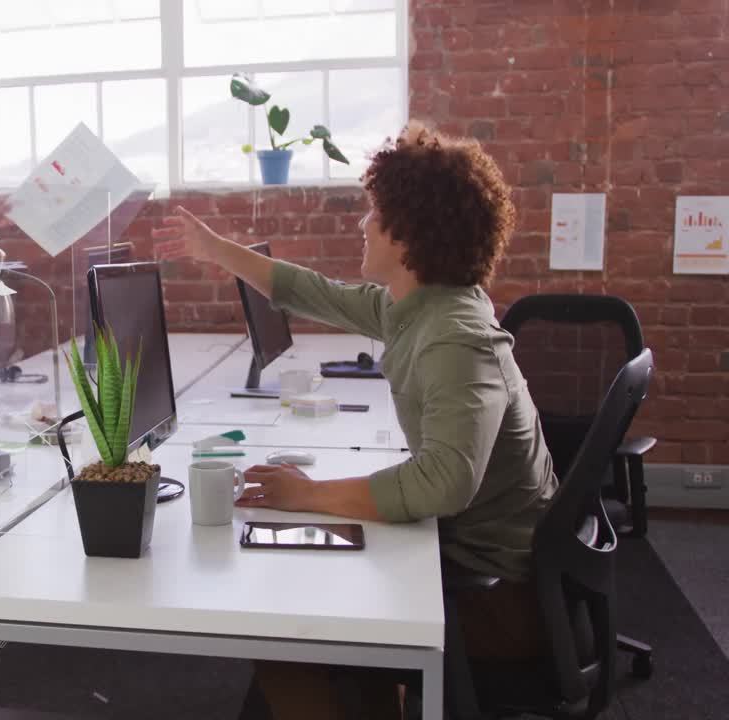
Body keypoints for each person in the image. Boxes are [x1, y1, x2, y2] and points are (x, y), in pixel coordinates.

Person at [152, 121, 559, 719]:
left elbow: (443, 483)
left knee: (290, 634)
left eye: (374, 212)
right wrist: (214, 248)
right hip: (474, 564)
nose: (362, 224)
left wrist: (311, 495)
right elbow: (312, 292)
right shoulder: (426, 307)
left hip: (501, 599)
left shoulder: (454, 337)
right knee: (314, 600)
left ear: (409, 235)